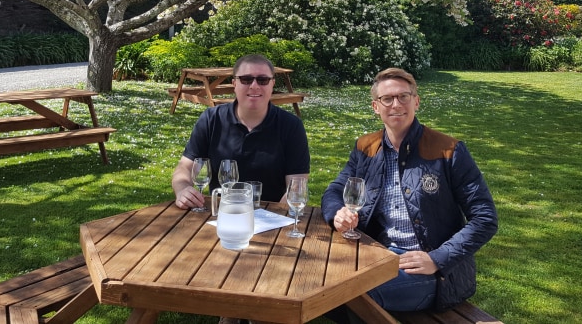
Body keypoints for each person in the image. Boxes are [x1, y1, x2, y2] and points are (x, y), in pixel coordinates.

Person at [322, 67, 498, 314]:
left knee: (350, 294)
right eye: (387, 99)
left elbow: (485, 219)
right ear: (376, 107)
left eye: (403, 96)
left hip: (432, 271)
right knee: (318, 277)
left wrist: (437, 259)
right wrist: (336, 214)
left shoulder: (449, 150)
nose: (396, 104)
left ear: (416, 102)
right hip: (377, 254)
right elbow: (336, 189)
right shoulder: (366, 147)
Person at [172, 54, 310, 209]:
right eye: (246, 79)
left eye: (263, 80)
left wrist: (273, 218)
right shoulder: (212, 119)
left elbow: (297, 186)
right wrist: (183, 189)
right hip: (220, 215)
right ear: (234, 84)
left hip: (271, 218)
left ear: (272, 84)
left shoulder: (291, 126)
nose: (254, 85)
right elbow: (184, 167)